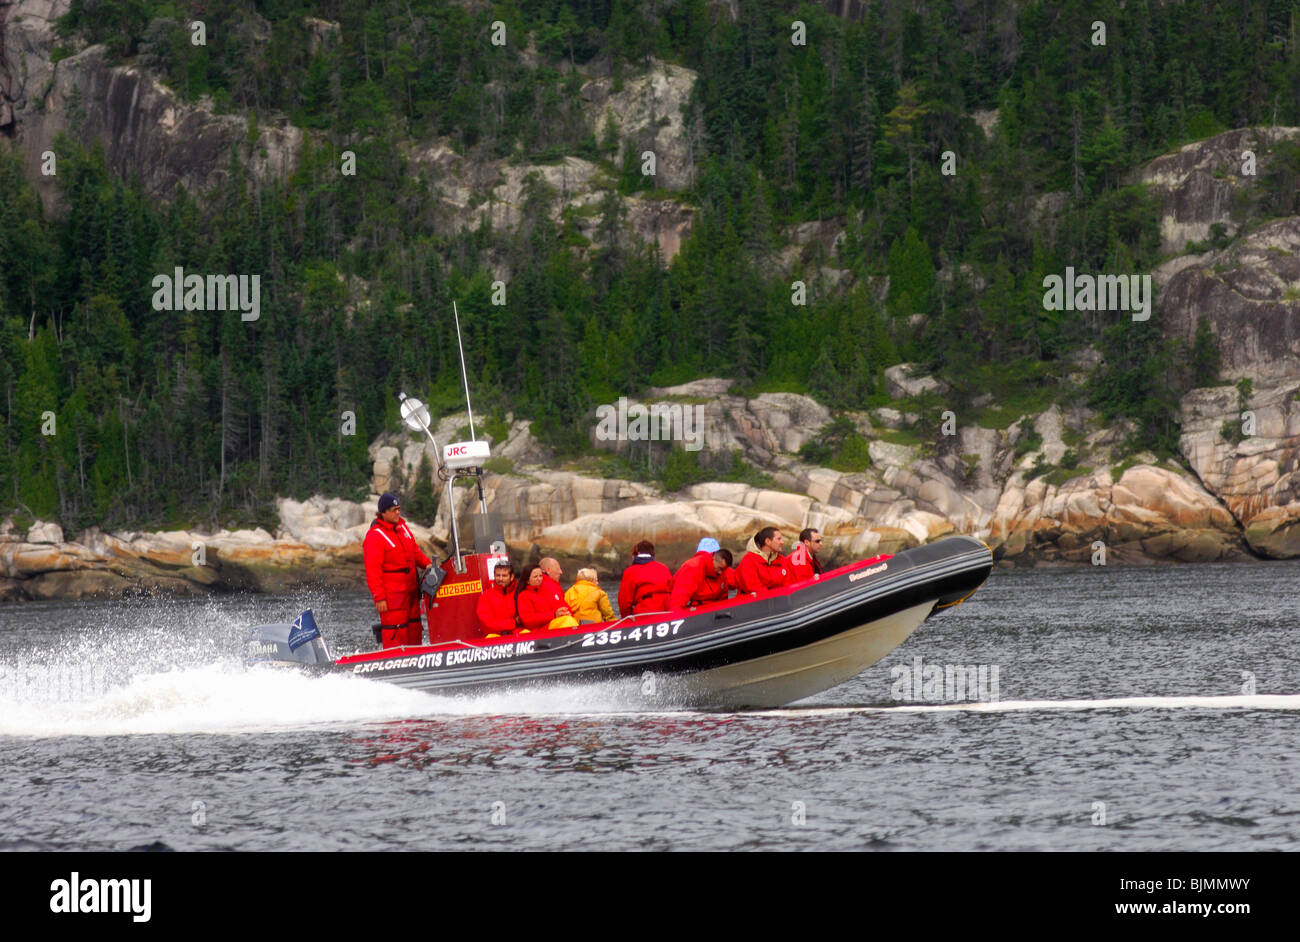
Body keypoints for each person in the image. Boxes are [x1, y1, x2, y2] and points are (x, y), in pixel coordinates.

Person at [362, 492, 432, 648]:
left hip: (412, 593)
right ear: (383, 512)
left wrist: (427, 565)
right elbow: (373, 571)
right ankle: (396, 662)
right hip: (392, 598)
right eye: (394, 510)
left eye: (399, 509)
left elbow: (415, 551)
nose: (398, 512)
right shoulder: (375, 537)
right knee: (395, 632)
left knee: (414, 628)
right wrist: (379, 597)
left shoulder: (403, 528)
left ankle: (416, 659)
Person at [669, 538, 734, 610]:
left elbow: (723, 597)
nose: (721, 572)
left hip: (710, 610)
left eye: (724, 570)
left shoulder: (722, 571)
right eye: (720, 569)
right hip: (692, 610)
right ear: (713, 559)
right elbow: (678, 600)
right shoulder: (693, 568)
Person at [617, 540, 673, 615]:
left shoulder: (630, 572)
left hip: (644, 613)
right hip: (667, 612)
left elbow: (624, 602)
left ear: (637, 554)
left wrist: (627, 619)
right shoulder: (664, 568)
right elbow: (673, 591)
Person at [517, 566, 578, 631]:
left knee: (569, 620)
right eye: (535, 577)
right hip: (540, 632)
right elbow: (528, 620)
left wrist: (565, 612)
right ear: (527, 581)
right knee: (567, 621)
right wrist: (553, 615)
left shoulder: (549, 589)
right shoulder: (523, 596)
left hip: (555, 624)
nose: (539, 579)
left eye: (540, 576)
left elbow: (562, 604)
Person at [735, 526, 789, 596]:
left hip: (779, 603)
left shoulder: (783, 560)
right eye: (779, 539)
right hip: (753, 604)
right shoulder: (749, 560)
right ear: (768, 541)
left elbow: (788, 585)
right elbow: (752, 588)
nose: (782, 542)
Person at [476, 564, 521, 638]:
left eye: (504, 576)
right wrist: (513, 623)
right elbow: (486, 624)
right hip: (495, 637)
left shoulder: (519, 593)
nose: (500, 579)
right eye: (498, 575)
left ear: (512, 577)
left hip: (518, 634)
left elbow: (525, 618)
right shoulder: (485, 596)